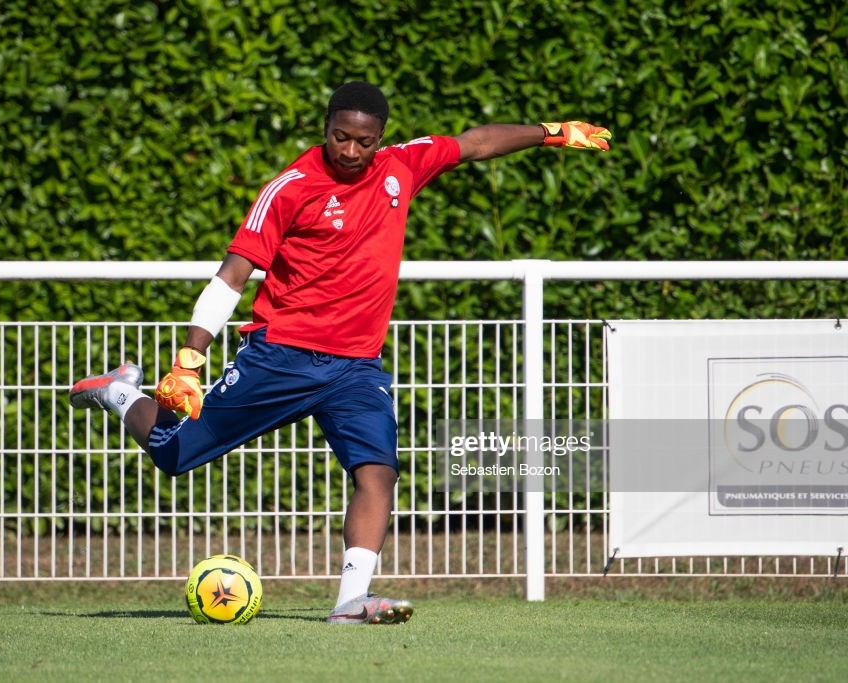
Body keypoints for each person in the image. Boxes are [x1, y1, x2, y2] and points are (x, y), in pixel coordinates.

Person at [69, 81, 611, 624]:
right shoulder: (291, 187)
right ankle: (119, 392)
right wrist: (189, 359)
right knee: (173, 454)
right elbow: (232, 275)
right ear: (325, 127)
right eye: (340, 137)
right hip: (280, 356)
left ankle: (350, 603)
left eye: (364, 141)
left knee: (378, 473)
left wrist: (551, 133)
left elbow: (474, 143)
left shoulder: (402, 166)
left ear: (381, 138)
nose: (351, 151)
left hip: (356, 367)